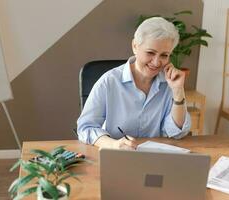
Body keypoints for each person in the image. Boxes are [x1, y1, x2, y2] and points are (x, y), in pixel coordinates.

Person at [77, 17, 191, 150]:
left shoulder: (169, 84)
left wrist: (178, 91)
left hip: (154, 158)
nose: (156, 62)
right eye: (150, 53)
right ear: (135, 46)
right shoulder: (109, 82)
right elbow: (86, 127)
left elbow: (177, 133)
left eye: (164, 55)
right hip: (116, 155)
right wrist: (113, 144)